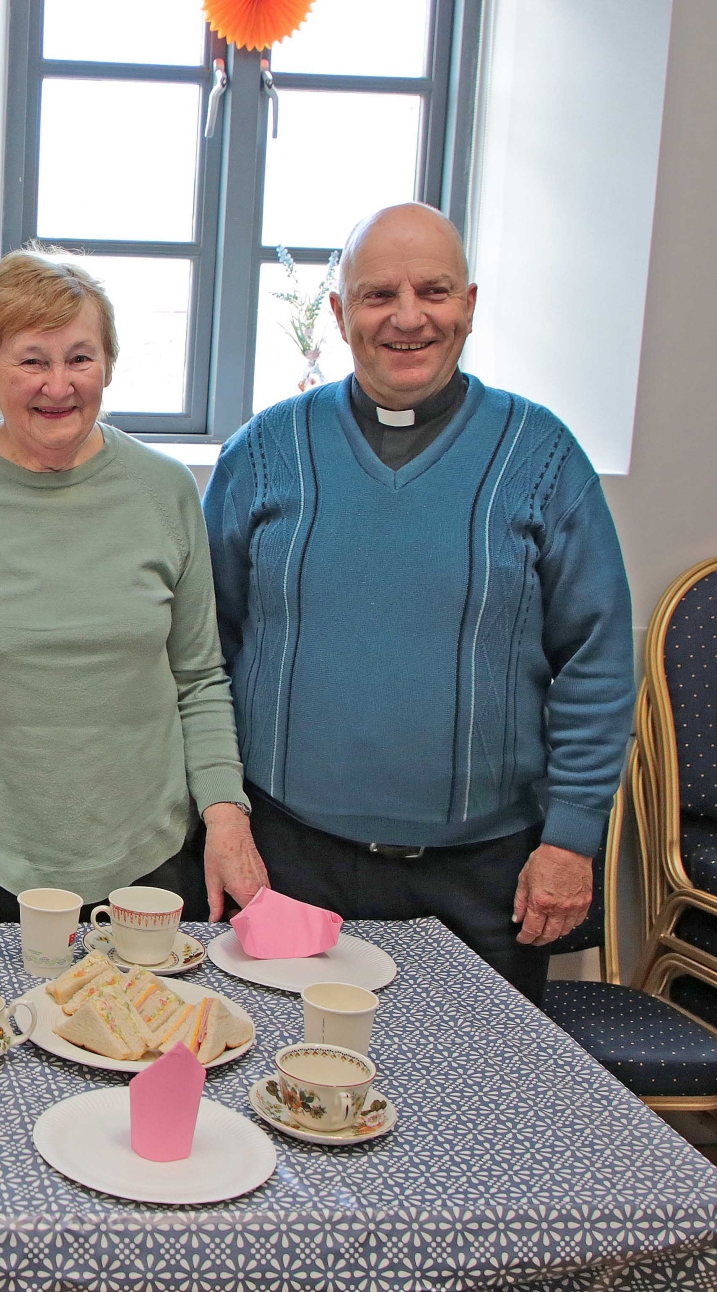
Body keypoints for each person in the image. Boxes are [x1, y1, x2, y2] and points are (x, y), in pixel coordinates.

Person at [204, 203, 635, 1002]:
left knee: (480, 1115)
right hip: (290, 864)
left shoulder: (541, 457)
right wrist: (223, 817)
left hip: (481, 879)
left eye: (433, 291)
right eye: (377, 295)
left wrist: (572, 840)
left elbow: (597, 661)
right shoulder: (260, 455)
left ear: (468, 303)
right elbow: (203, 657)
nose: (408, 318)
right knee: (278, 1100)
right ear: (339, 314)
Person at [0, 247, 267, 932]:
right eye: (32, 360)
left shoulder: (165, 491)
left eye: (79, 358)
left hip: (151, 861)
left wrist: (227, 818)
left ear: (108, 365)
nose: (59, 384)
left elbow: (200, 679)